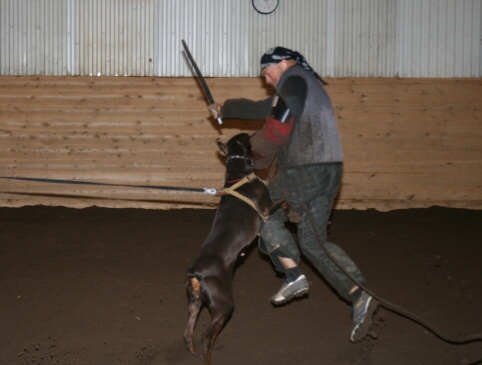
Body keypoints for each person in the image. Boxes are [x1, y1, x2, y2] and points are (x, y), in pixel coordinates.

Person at [208, 46, 378, 343]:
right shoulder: (303, 85)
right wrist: (226, 109)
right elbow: (266, 108)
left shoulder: (295, 79)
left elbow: (277, 129)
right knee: (314, 242)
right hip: (329, 171)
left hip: (305, 169)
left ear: (284, 63)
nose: (267, 79)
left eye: (267, 72)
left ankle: (293, 275)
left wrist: (252, 155)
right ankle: (358, 294)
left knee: (262, 215)